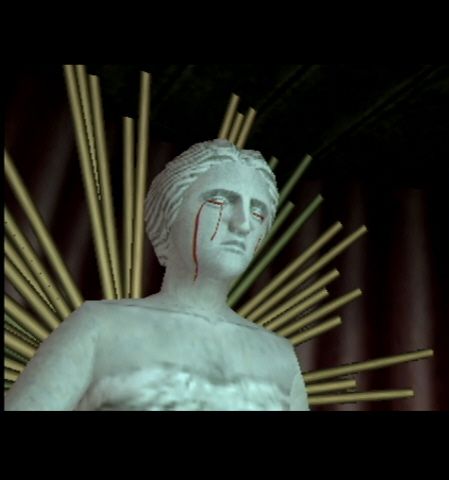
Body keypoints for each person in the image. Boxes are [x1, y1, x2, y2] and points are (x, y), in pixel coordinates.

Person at [5, 139, 310, 411]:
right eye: (219, 201)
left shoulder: (281, 356)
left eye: (258, 213)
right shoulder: (99, 327)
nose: (243, 224)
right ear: (169, 212)